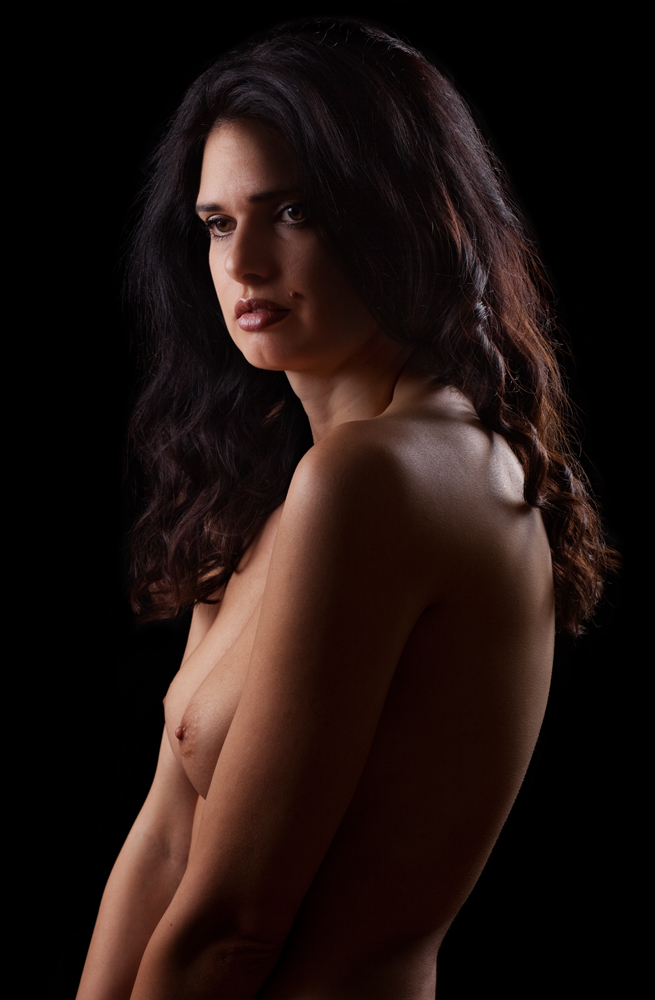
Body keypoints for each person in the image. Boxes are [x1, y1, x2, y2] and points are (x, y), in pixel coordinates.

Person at [77, 18, 613, 999]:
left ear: (400, 213)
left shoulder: (374, 481)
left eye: (292, 212)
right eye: (217, 223)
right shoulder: (289, 492)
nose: (242, 264)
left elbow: (232, 929)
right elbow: (165, 839)